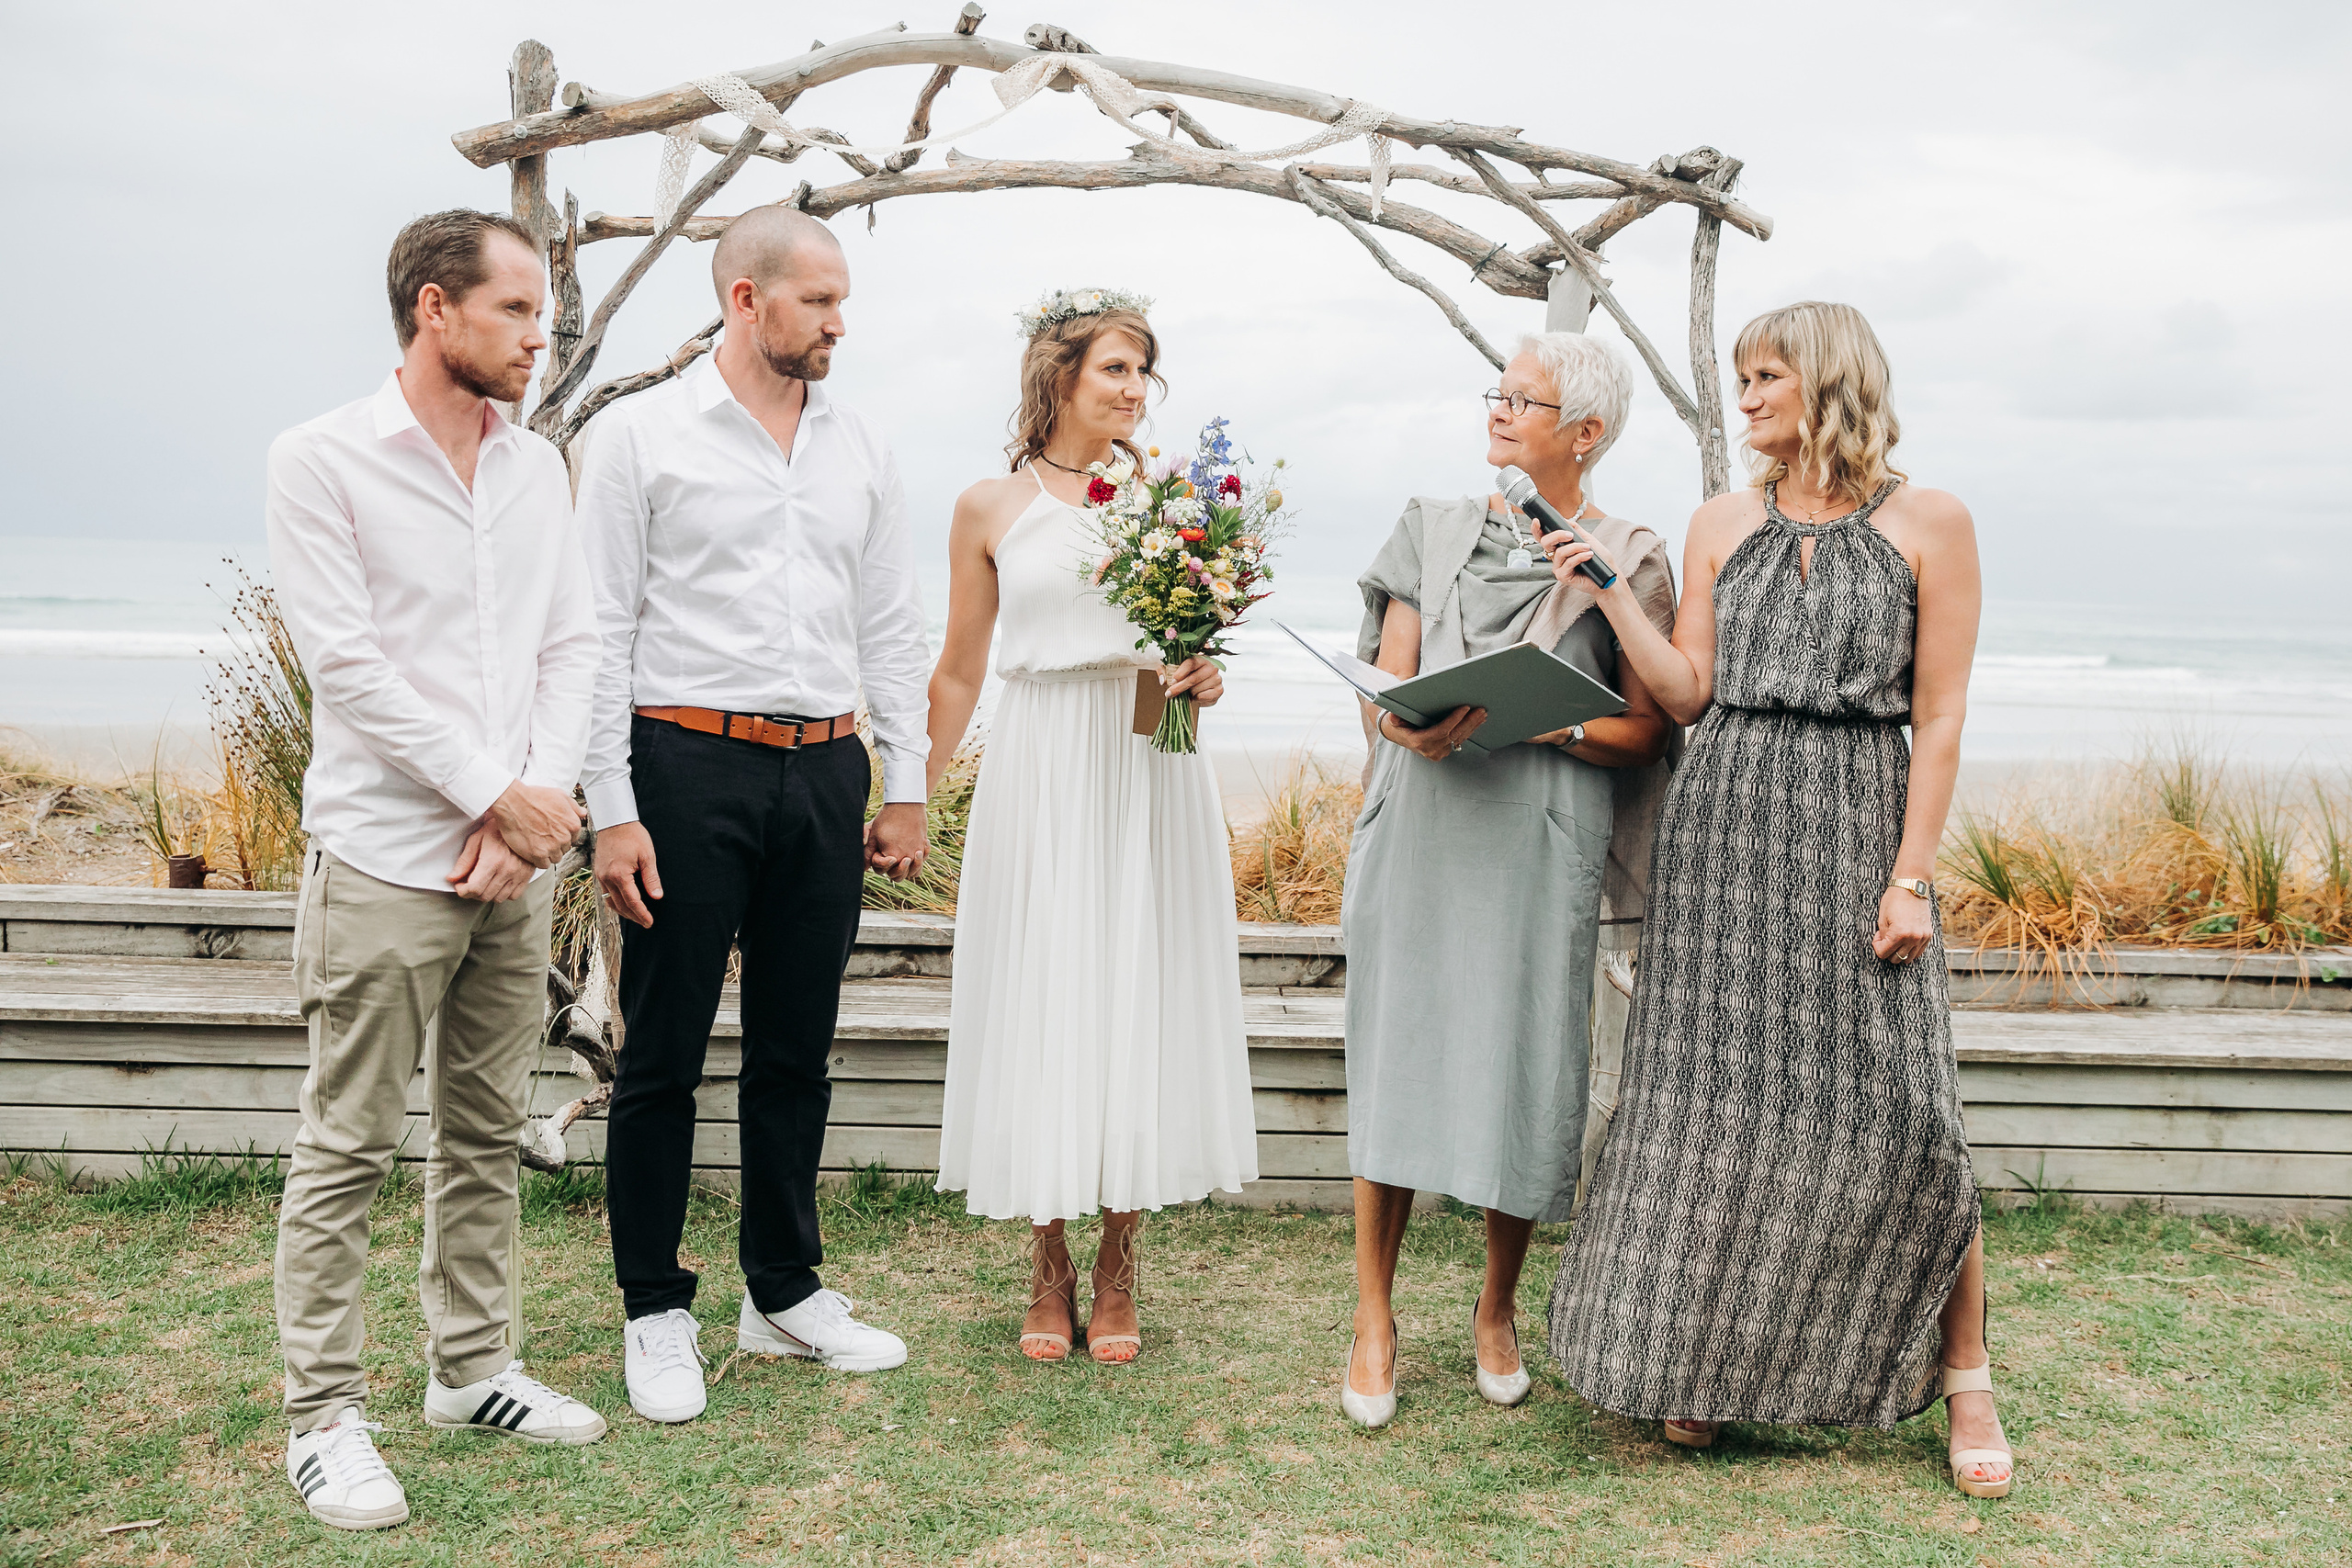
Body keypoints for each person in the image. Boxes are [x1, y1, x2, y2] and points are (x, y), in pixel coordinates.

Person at [1546, 301, 2009, 1498]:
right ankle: (1703, 1359)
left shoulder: (1931, 521)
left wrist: (1913, 873)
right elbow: (1689, 691)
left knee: (1911, 1111)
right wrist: (1608, 592)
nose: (1744, 397)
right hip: (1725, 832)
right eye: (1742, 375)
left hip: (1860, 821)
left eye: (1765, 377)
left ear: (1827, 380)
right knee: (1718, 1114)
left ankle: (1968, 1377)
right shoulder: (1721, 520)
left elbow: (1943, 712)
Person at [266, 209, 606, 1531]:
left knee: (484, 1130)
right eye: (518, 310)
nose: (541, 334)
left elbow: (570, 643)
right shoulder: (320, 459)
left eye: (546, 312)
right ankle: (325, 1418)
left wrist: (536, 807)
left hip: (509, 864)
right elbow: (345, 662)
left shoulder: (536, 468)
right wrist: (491, 792)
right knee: (345, 1141)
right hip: (383, 856)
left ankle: (472, 1369)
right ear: (433, 307)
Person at [576, 206, 931, 1424]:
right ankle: (654, 1308)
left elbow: (888, 620)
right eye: (820, 300)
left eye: (844, 300)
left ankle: (781, 1289)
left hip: (826, 771)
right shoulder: (639, 437)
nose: (841, 322)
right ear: (746, 300)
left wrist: (910, 779)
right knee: (663, 1051)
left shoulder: (861, 442)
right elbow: (597, 635)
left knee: (795, 1045)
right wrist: (611, 808)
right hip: (684, 763)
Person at [1339, 333, 1675, 1428]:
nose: (1498, 410)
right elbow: (1382, 687)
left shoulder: (1628, 549)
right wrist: (1409, 728)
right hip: (1423, 817)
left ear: (1586, 432)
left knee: (1524, 1063)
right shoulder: (1430, 526)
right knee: (1397, 1053)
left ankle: (1495, 1309)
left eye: (1522, 400)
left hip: (1539, 831)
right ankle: (1372, 1322)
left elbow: (1647, 728)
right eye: (1498, 392)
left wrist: (1559, 722)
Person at [926, 288, 1257, 1363]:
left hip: (1143, 759)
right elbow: (961, 667)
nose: (1133, 389)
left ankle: (1118, 1271)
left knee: (1132, 995)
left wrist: (1201, 675)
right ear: (1058, 373)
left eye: (1142, 371)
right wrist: (909, 795)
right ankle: (1047, 1265)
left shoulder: (1173, 497)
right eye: (1115, 368)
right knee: (1044, 994)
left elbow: (1185, 638)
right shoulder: (987, 506)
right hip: (1041, 764)